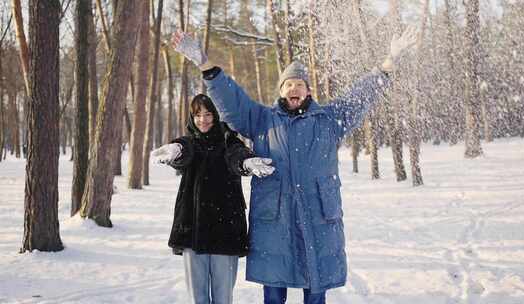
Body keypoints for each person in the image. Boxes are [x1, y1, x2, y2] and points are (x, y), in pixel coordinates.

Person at [171, 27, 418, 304]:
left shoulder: (328, 120)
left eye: (299, 84)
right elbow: (232, 101)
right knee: (274, 295)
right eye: (288, 84)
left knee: (315, 293)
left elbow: (359, 98)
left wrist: (387, 64)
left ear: (308, 91)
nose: (294, 88)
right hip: (275, 223)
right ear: (281, 91)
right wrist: (205, 64)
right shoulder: (261, 120)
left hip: (317, 221)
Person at [151, 94, 275, 304]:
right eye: (198, 115)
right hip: (192, 229)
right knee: (197, 298)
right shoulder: (189, 143)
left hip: (225, 230)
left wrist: (246, 163)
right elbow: (184, 150)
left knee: (223, 296)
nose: (203, 120)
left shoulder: (228, 142)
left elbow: (237, 155)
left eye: (208, 114)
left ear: (217, 115)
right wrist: (175, 150)